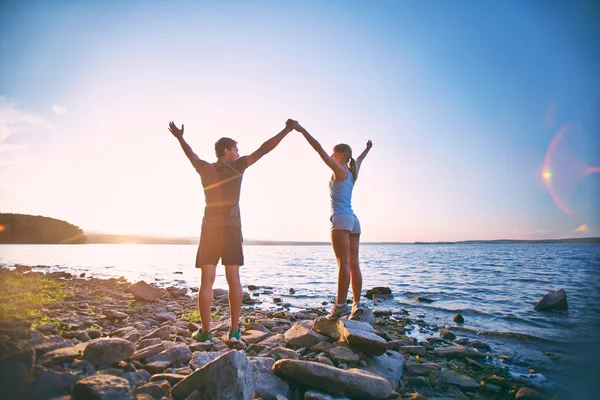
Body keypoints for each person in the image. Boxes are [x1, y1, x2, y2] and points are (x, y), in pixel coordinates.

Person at [168, 119, 296, 341]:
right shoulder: (238, 167)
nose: (238, 153)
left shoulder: (205, 168)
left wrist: (180, 137)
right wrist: (287, 129)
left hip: (209, 229)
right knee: (233, 278)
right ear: (226, 151)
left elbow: (191, 155)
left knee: (206, 279)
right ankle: (234, 330)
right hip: (232, 228)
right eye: (236, 149)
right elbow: (264, 149)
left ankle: (206, 332)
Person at [293, 121, 372, 320]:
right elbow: (360, 158)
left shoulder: (339, 170)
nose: (331, 156)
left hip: (341, 219)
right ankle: (357, 304)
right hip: (354, 220)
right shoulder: (352, 171)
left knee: (343, 264)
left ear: (342, 156)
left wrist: (302, 130)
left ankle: (339, 306)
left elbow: (318, 149)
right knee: (354, 263)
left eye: (334, 154)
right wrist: (367, 148)